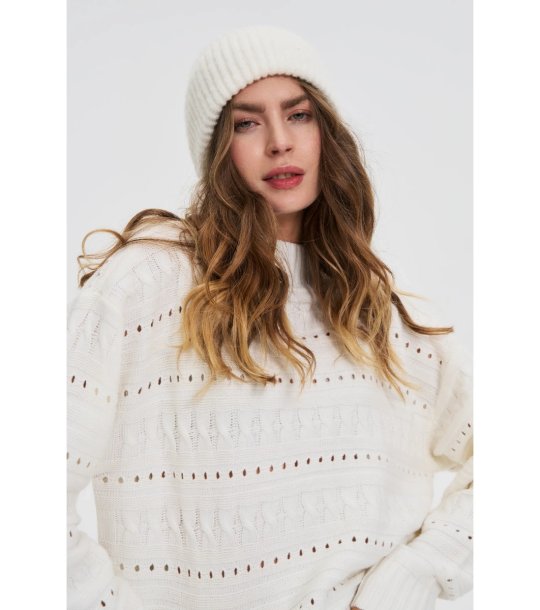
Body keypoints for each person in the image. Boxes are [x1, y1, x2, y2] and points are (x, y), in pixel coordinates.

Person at [67, 25, 473, 610]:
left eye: (299, 115)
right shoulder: (145, 288)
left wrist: (423, 570)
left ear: (325, 131)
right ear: (217, 150)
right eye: (247, 123)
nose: (280, 142)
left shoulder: (378, 312)